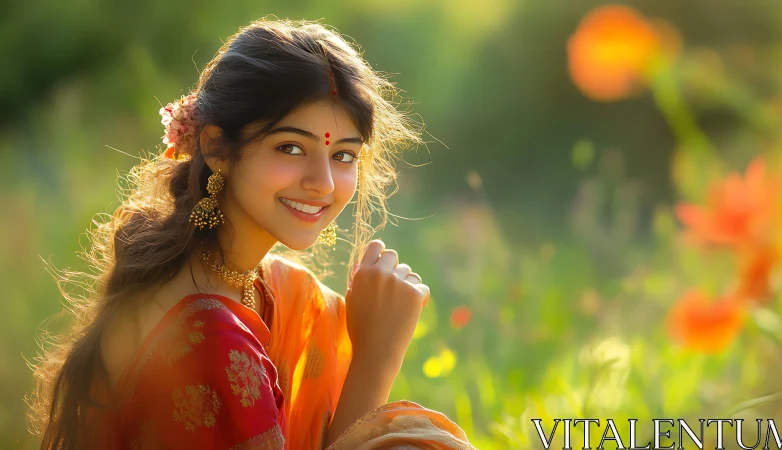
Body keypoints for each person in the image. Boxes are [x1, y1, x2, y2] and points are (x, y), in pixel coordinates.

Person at [25, 17, 476, 450]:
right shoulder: (209, 338)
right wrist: (376, 358)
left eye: (344, 155)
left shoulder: (259, 286)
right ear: (216, 147)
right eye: (291, 148)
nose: (322, 182)